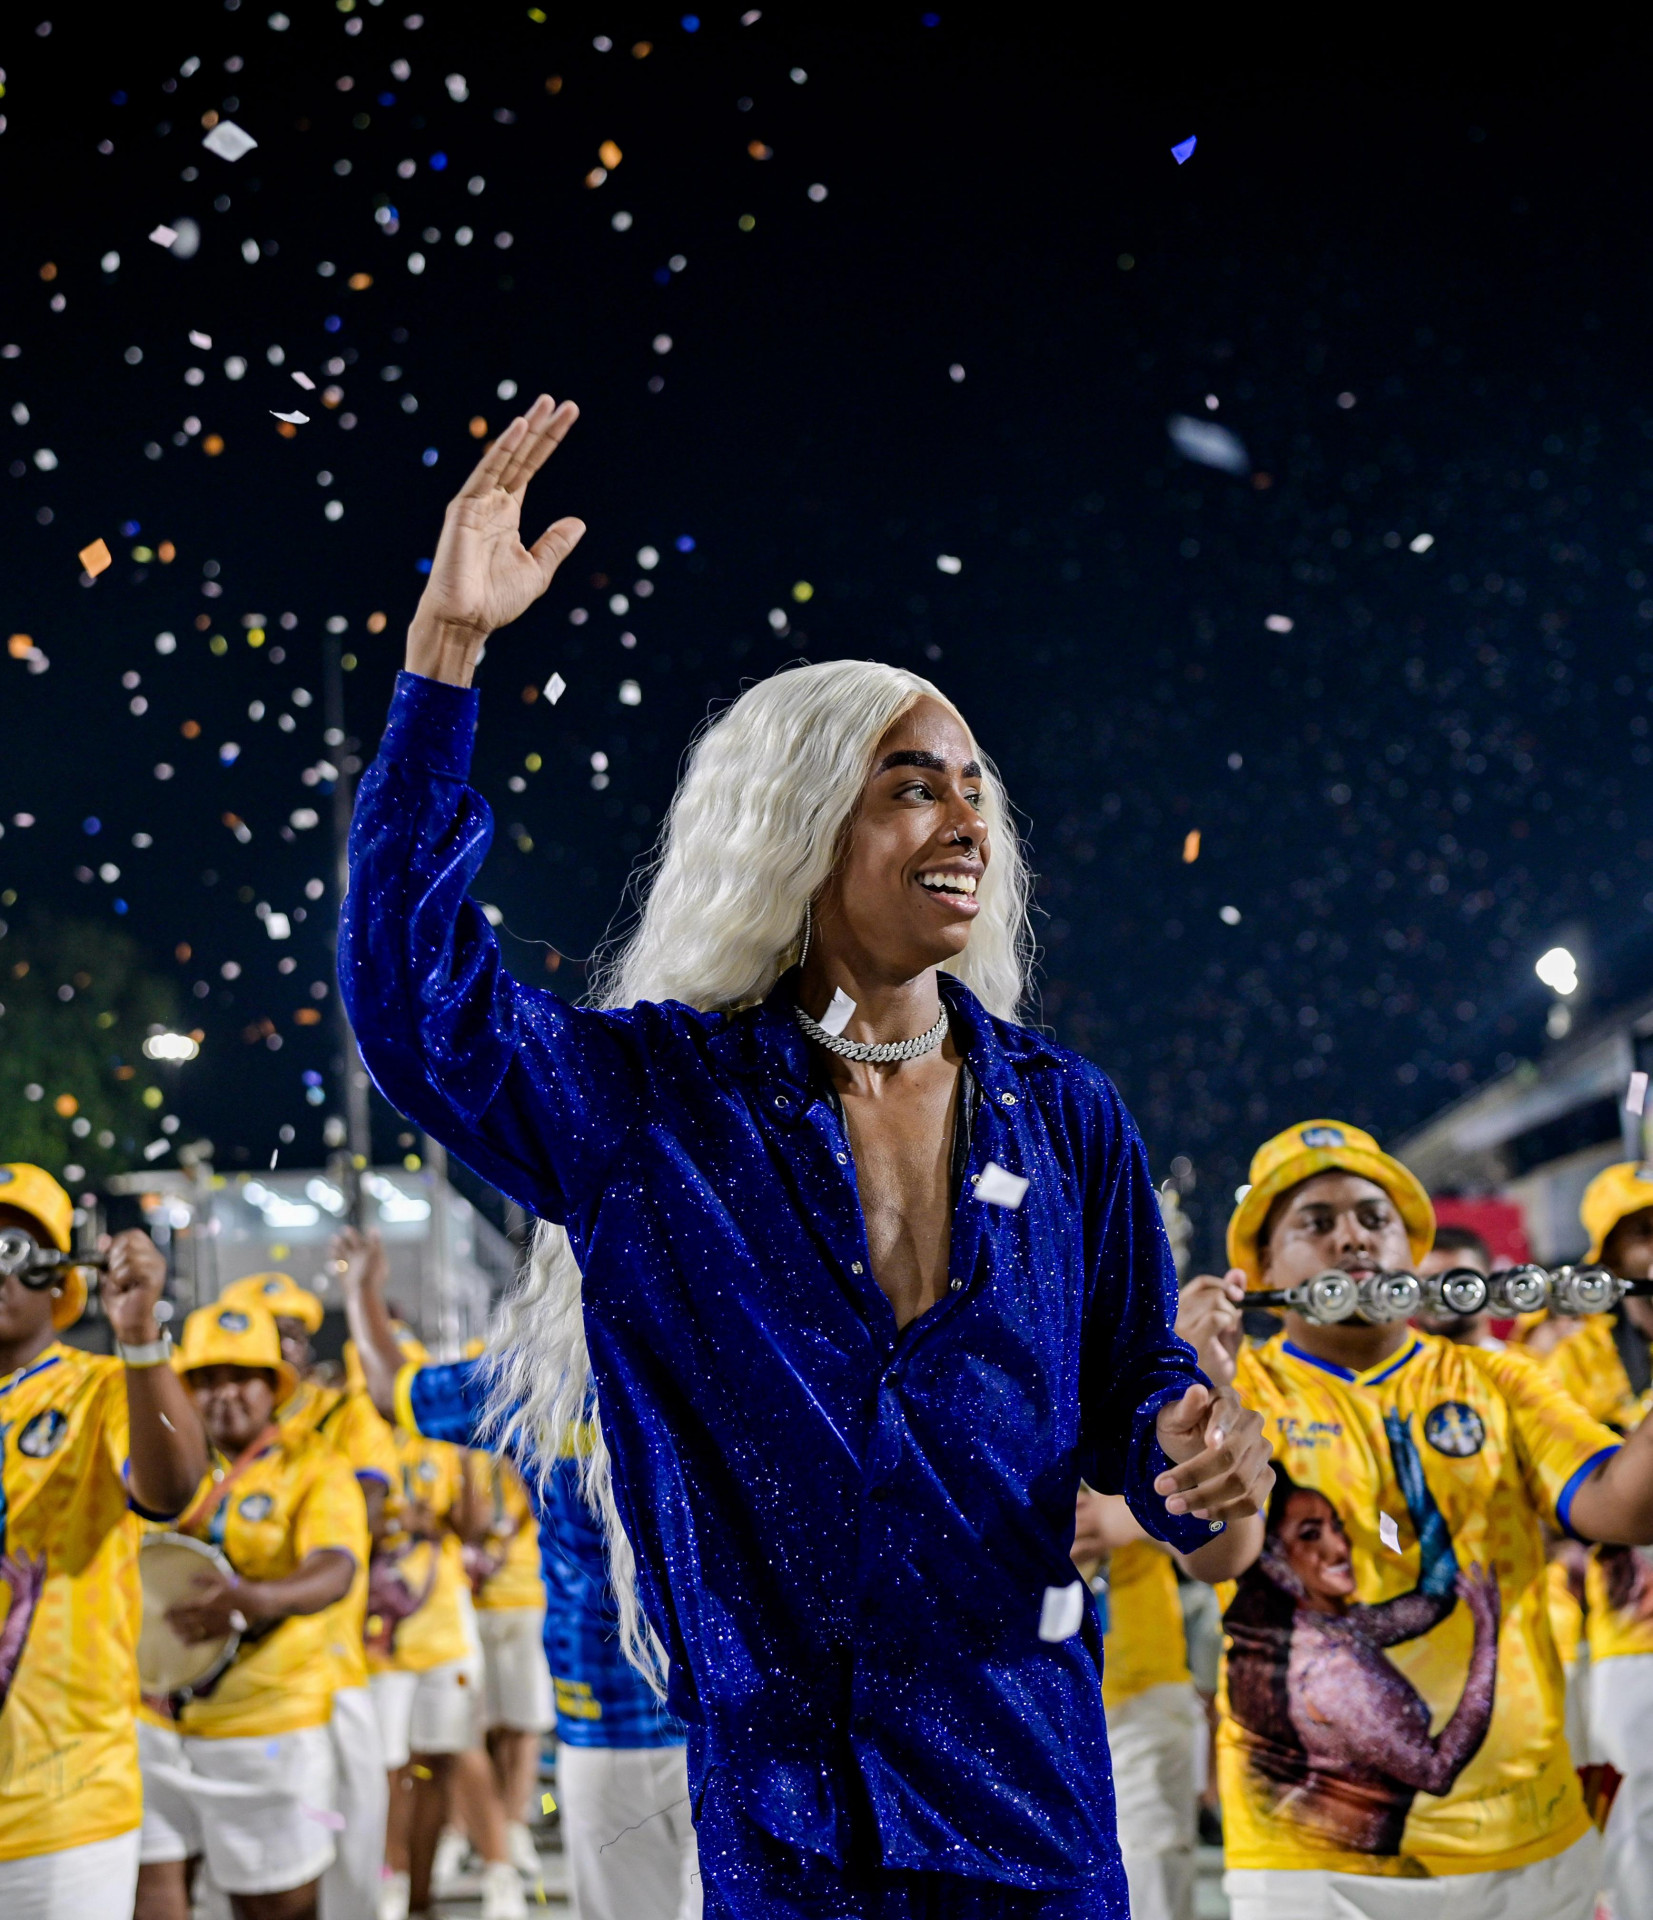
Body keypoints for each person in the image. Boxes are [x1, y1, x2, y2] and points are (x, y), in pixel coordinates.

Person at [338, 392, 1273, 1917]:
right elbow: (415, 1005)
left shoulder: (1066, 1113)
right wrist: (445, 659)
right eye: (913, 783)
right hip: (789, 1841)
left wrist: (1196, 1454)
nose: (964, 816)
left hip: (1033, 1818)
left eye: (973, 784)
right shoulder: (651, 1107)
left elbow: (1134, 1400)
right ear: (797, 824)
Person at [1178, 1118, 1653, 1920]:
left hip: (1523, 1850)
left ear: (1408, 1248)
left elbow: (1625, 1508)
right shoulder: (1242, 1389)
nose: (1352, 1239)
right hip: (1310, 1860)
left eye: (1374, 1218)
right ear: (1256, 1269)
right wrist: (1203, 1390)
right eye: (1315, 1223)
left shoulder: (1496, 1378)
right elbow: (1217, 1561)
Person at [338, 1226, 700, 1920]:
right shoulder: (736, 1359)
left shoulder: (536, 1374)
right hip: (722, 1709)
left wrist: (362, 1291)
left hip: (604, 1717)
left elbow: (393, 1392)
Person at [0, 1163, 207, 1920]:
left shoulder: (99, 1389)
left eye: (16, 1251)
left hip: (59, 1812)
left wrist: (138, 1336)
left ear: (60, 1279)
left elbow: (172, 1489)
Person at [134, 1300, 365, 1920]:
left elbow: (335, 1568)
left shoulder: (315, 1465)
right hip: (154, 1723)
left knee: (275, 1904)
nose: (222, 1394)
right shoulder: (165, 1469)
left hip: (266, 1726)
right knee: (149, 1892)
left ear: (272, 1387)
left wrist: (255, 1600)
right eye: (204, 1380)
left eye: (241, 1376)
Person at [220, 1271, 393, 1920]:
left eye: (292, 1333)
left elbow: (365, 1519)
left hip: (331, 1673)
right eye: (269, 1336)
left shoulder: (340, 1413)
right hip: (229, 1698)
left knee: (346, 1880)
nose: (284, 1347)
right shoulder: (199, 1433)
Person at [365, 1329, 523, 1920]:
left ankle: (498, 1869)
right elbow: (363, 1522)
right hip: (379, 1633)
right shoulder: (358, 1429)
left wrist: (463, 1460)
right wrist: (398, 1517)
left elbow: (472, 1526)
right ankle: (395, 1881)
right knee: (393, 1767)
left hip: (442, 1619)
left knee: (457, 1750)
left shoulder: (440, 1442)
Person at [1558, 1163, 1653, 1920]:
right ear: (1607, 1258)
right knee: (1636, 1821)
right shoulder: (1574, 1360)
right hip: (1630, 1635)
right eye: (1643, 1235)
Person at [1071, 1492, 1204, 1920]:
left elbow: (1225, 1535)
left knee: (1151, 1885)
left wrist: (1132, 1515)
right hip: (1010, 1696)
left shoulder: (1144, 1421)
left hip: (1141, 1696)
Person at [1413, 1224, 1499, 1349]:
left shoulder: (1524, 1367)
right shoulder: (1389, 1367)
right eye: (1429, 1281)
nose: (1441, 1295)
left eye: (1460, 1283)